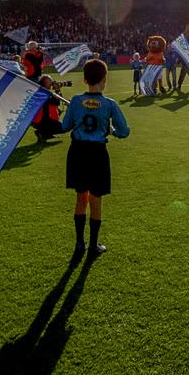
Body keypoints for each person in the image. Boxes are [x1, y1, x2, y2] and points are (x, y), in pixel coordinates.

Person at [60, 58, 130, 257]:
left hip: (77, 152)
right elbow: (124, 132)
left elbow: (65, 127)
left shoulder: (74, 101)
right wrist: (112, 130)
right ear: (104, 79)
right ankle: (93, 246)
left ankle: (79, 244)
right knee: (96, 199)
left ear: (84, 80)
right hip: (98, 154)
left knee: (81, 197)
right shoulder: (109, 104)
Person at [32, 75, 68, 142]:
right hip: (42, 121)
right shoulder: (44, 94)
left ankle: (43, 134)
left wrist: (57, 90)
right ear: (44, 83)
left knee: (58, 111)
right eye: (50, 81)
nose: (52, 82)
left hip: (36, 121)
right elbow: (57, 102)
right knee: (65, 128)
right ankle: (43, 132)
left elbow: (58, 101)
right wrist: (57, 89)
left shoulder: (39, 91)